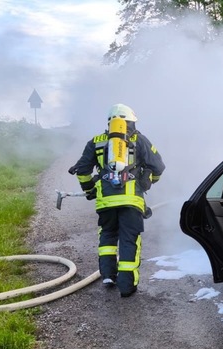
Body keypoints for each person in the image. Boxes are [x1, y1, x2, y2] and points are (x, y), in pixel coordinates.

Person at [69, 103, 165, 297]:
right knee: (129, 240)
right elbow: (159, 167)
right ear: (130, 122)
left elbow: (82, 170)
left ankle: (108, 275)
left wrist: (89, 190)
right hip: (131, 203)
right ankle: (127, 286)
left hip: (106, 202)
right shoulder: (139, 140)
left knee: (107, 237)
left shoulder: (96, 142)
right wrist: (148, 182)